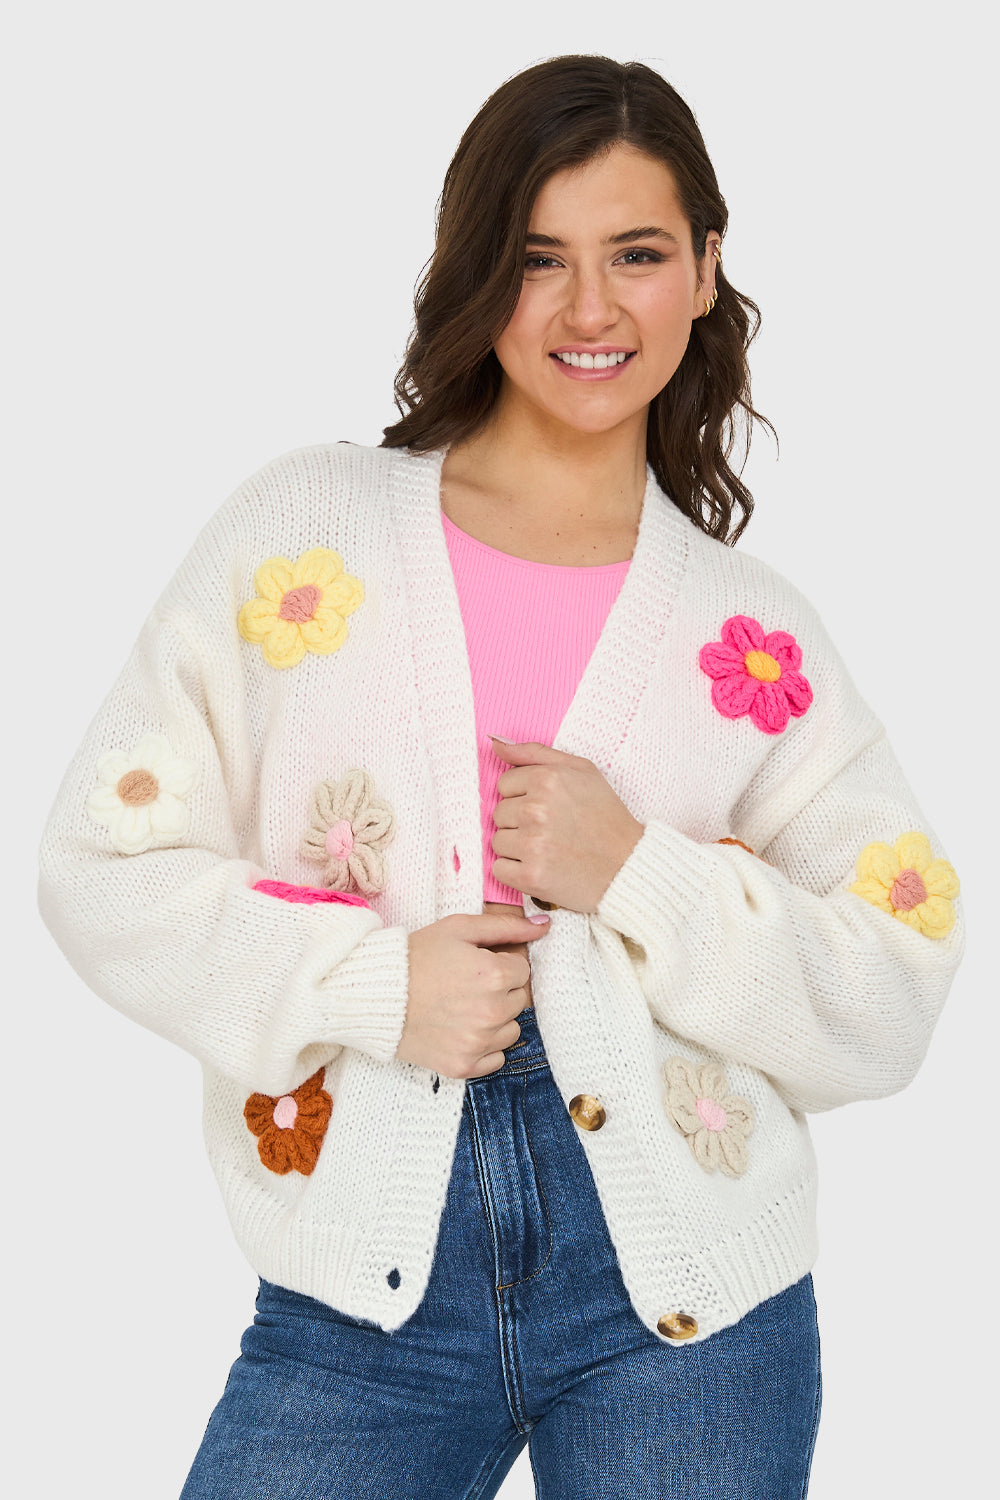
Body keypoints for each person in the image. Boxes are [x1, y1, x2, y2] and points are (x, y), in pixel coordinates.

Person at [37, 53, 963, 1499]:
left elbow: (895, 980)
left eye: (637, 255)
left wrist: (636, 874)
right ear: (479, 272)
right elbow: (99, 864)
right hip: (361, 1300)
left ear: (706, 269)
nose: (590, 311)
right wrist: (373, 986)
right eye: (539, 260)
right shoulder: (306, 535)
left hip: (689, 1301)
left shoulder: (753, 638)